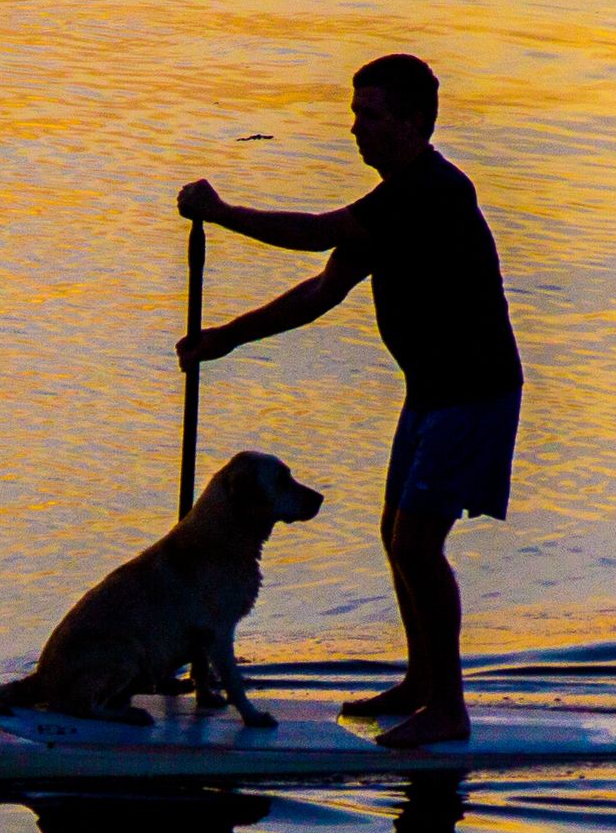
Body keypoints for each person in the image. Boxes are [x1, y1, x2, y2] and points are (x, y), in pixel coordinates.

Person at [177, 53, 521, 749]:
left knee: (416, 543)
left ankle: (449, 709)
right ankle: (422, 683)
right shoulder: (392, 206)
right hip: (430, 392)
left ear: (414, 122)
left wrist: (221, 213)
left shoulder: (430, 192)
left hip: (473, 394)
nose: (356, 128)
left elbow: (314, 234)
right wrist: (227, 339)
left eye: (370, 115)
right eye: (355, 114)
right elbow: (320, 293)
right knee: (396, 532)